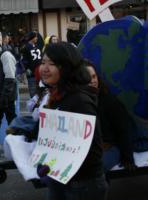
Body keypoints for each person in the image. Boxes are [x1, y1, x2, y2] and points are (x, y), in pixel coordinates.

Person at [39, 42, 108, 200]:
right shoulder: (57, 95)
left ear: (67, 68)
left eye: (52, 64)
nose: (44, 68)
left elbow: (93, 151)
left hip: (83, 184)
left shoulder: (79, 100)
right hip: (59, 177)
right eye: (43, 63)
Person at [84, 59, 136, 171]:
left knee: (95, 168)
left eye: (94, 76)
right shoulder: (77, 102)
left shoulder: (109, 101)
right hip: (88, 149)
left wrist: (128, 159)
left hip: (110, 147)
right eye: (87, 78)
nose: (92, 81)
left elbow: (124, 130)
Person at [21, 31, 42, 97]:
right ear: (31, 37)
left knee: (40, 91)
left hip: (39, 71)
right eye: (35, 37)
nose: (36, 38)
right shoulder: (26, 47)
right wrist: (27, 69)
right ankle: (34, 106)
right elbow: (24, 60)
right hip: (32, 72)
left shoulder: (37, 45)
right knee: (33, 92)